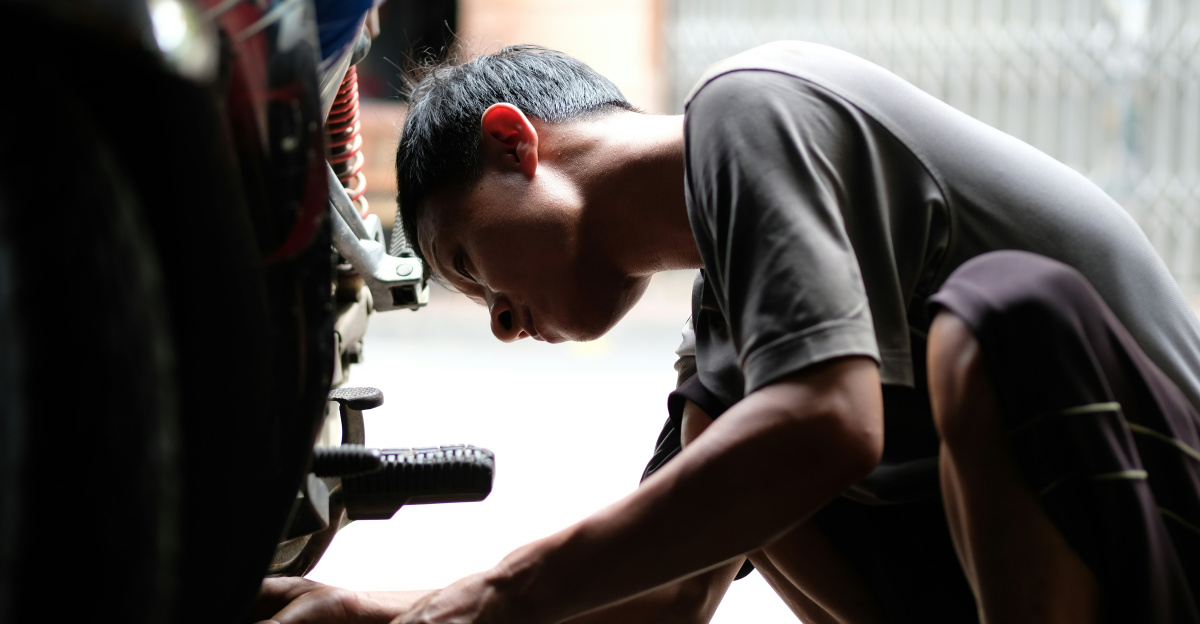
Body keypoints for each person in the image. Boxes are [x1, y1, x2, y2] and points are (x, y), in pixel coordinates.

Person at [254, 42, 1200, 623]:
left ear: (516, 143)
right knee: (732, 473)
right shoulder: (734, 316)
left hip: (1161, 528)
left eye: (468, 264)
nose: (499, 323)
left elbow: (830, 424)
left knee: (997, 317)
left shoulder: (755, 103)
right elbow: (666, 596)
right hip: (1047, 578)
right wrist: (361, 613)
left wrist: (500, 596)